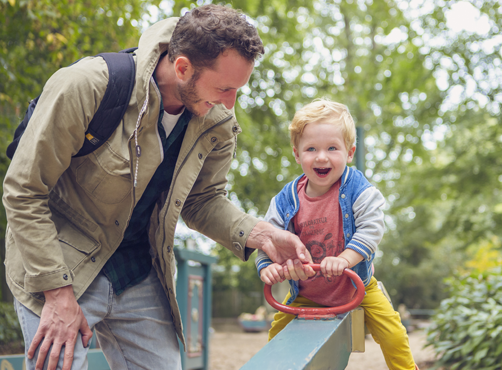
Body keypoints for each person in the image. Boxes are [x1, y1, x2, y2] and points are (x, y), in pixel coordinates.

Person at [2, 5, 314, 370]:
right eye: (225, 88)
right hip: (61, 263)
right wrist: (56, 294)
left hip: (135, 268)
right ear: (182, 68)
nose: (230, 104)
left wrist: (262, 234)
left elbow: (204, 200)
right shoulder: (88, 85)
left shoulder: (216, 120)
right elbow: (24, 191)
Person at [256, 99, 418, 370]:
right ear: (297, 154)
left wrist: (344, 259)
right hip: (307, 291)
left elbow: (372, 226)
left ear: (350, 152)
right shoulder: (286, 199)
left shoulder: (357, 188)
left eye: (332, 148)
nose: (321, 157)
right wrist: (267, 267)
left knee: (394, 334)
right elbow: (267, 236)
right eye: (311, 149)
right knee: (277, 338)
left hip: (357, 285)